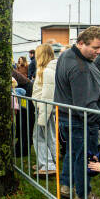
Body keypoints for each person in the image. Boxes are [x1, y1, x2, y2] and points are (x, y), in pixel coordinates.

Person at [54, 26, 100, 199]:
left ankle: (66, 185)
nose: (99, 52)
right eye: (95, 48)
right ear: (80, 43)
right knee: (83, 156)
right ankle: (83, 194)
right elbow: (84, 104)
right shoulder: (80, 68)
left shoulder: (67, 55)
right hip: (80, 119)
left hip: (67, 116)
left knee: (74, 153)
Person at [31, 44, 57, 175]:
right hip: (44, 108)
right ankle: (48, 162)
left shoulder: (47, 71)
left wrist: (42, 113)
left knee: (40, 137)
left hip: (44, 108)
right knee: (46, 136)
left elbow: (47, 95)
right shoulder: (48, 69)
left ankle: (48, 164)